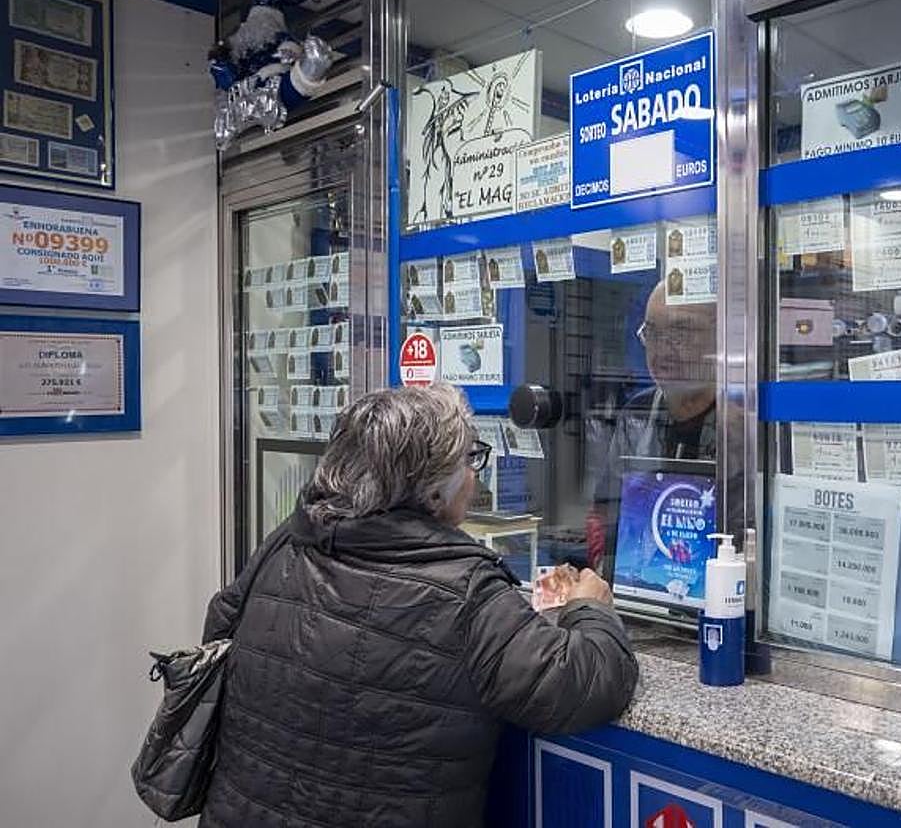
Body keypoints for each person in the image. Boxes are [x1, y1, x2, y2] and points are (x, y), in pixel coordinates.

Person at [199, 385, 639, 828]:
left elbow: (221, 625)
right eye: (469, 461)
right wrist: (590, 609)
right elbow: (582, 686)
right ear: (433, 493)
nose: (476, 477)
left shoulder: (287, 543)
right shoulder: (464, 590)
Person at [586, 281, 720, 575]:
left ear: (720, 337)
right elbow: (605, 511)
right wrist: (605, 573)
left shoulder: (743, 420)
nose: (662, 349)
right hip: (643, 591)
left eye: (680, 332)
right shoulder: (637, 412)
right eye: (653, 333)